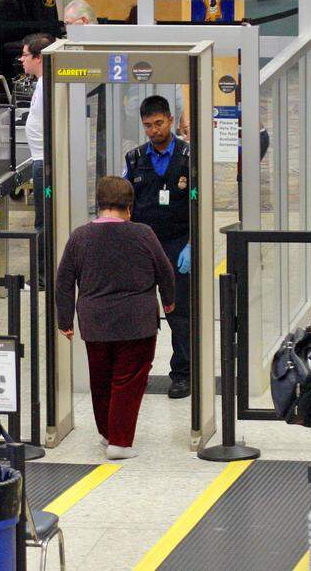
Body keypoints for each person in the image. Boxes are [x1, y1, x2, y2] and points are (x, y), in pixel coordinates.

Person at [56, 176, 176, 460]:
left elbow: (63, 281)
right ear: (129, 207)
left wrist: (65, 320)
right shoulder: (144, 234)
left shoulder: (80, 236)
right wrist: (169, 303)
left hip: (95, 322)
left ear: (98, 205)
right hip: (137, 321)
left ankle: (107, 433)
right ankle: (120, 442)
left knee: (101, 378)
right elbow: (165, 272)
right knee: (128, 380)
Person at [124, 95, 192, 399]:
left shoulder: (190, 157)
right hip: (142, 246)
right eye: (148, 126)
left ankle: (183, 373)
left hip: (178, 245)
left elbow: (200, 205)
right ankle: (138, 372)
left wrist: (192, 244)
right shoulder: (135, 159)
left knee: (180, 312)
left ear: (171, 121)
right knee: (140, 313)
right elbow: (125, 204)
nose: (154, 131)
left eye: (159, 124)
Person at [22, 33, 54, 289]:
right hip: (41, 160)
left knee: (43, 223)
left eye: (25, 55)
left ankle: (42, 279)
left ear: (38, 58)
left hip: (45, 164)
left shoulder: (47, 86)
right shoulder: (42, 84)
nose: (22, 60)